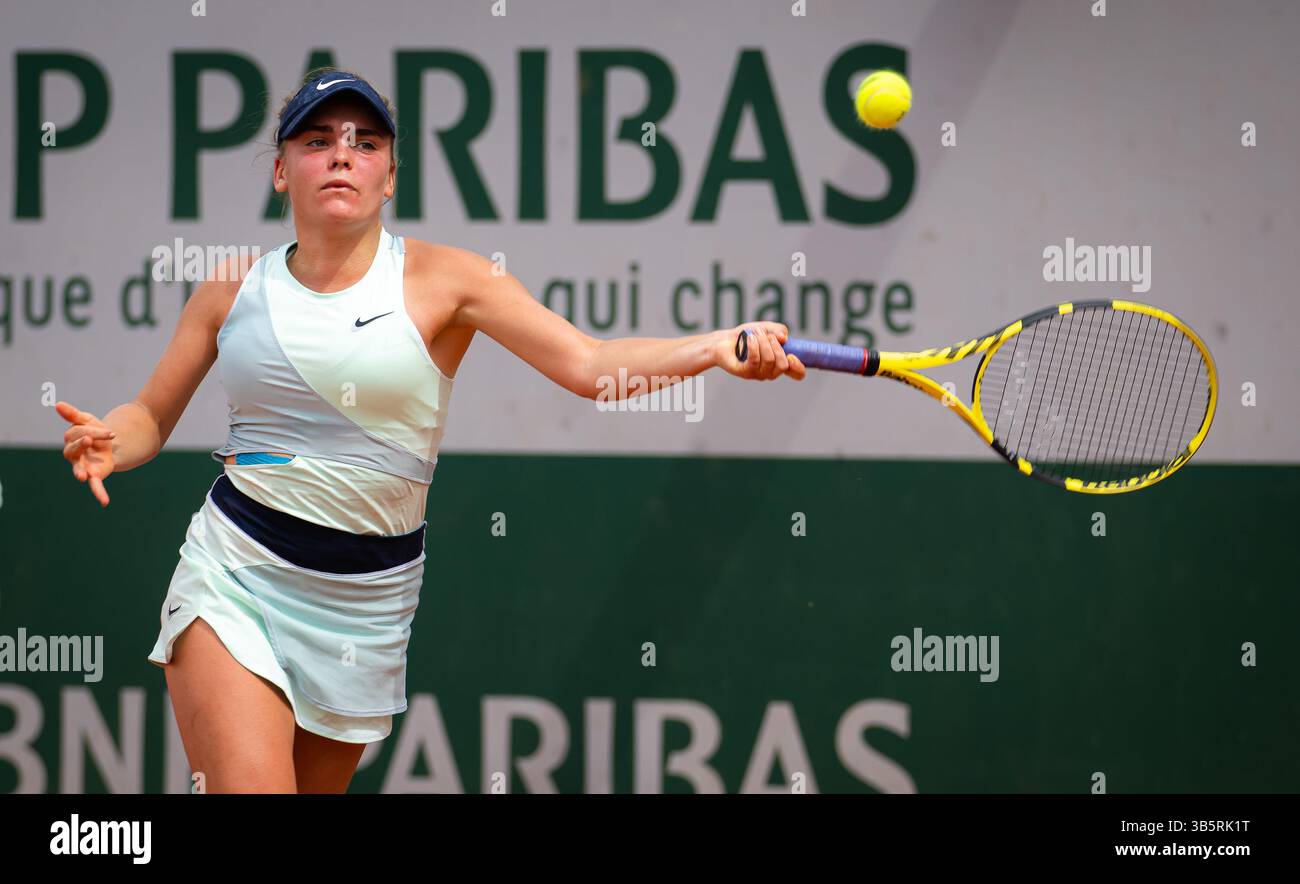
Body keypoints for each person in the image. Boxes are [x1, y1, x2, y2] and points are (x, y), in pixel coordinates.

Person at [56, 68, 804, 794]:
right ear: (281, 170)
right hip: (234, 576)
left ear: (389, 176)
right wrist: (113, 441)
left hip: (368, 603)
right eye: (316, 140)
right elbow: (150, 415)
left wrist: (712, 348)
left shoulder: (453, 281)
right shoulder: (229, 286)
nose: (342, 153)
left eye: (366, 142)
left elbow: (590, 364)